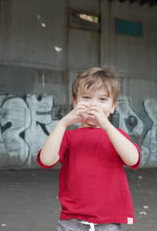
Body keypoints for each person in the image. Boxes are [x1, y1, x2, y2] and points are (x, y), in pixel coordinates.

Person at [37, 67, 141, 231]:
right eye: (86, 98)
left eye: (102, 99)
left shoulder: (117, 136)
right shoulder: (68, 136)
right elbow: (46, 160)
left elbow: (133, 159)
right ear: (75, 102)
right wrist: (63, 123)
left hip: (109, 221)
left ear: (113, 106)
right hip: (71, 220)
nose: (93, 105)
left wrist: (106, 124)